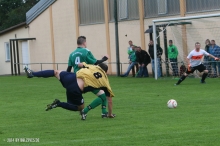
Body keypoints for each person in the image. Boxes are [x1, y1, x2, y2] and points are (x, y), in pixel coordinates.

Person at [24, 62, 115, 120]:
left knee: (55, 72)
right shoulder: (105, 80)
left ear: (98, 66)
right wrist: (110, 114)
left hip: (71, 77)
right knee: (80, 108)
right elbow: (109, 100)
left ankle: (32, 73)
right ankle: (59, 103)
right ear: (105, 72)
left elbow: (80, 64)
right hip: (75, 88)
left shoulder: (93, 66)